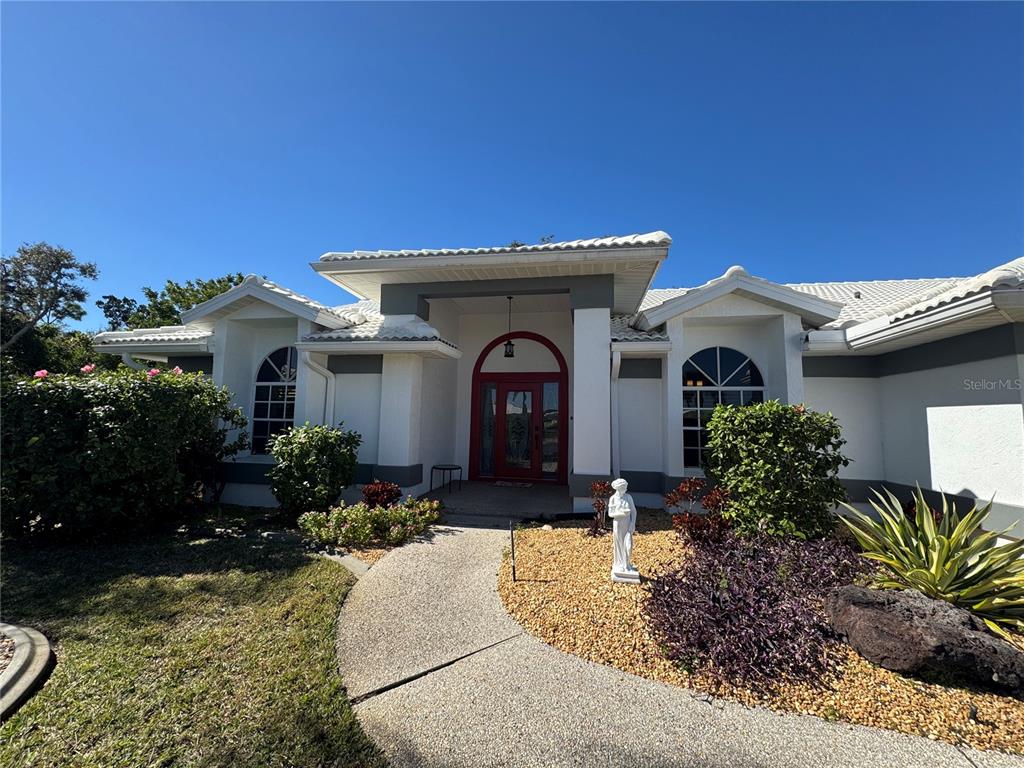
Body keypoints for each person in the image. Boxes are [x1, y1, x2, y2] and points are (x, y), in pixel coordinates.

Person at [607, 478, 639, 583]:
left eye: (626, 487)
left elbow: (634, 511)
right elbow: (610, 514)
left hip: (627, 524)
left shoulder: (628, 497)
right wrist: (622, 514)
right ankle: (621, 565)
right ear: (618, 488)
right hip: (618, 524)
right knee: (619, 544)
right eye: (623, 487)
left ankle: (627, 563)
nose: (625, 489)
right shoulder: (613, 498)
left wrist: (632, 523)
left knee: (628, 545)